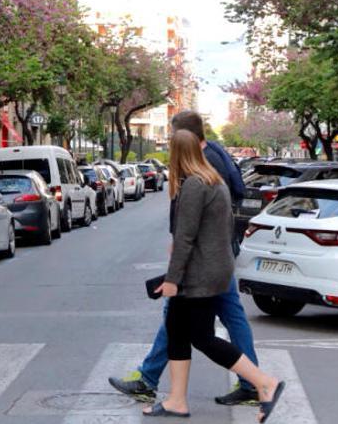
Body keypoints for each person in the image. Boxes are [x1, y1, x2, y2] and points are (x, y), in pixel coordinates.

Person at [109, 110, 260, 407]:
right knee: (201, 320)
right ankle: (161, 385)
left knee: (191, 326)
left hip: (205, 262)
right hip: (214, 258)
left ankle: (257, 383)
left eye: (172, 137)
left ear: (185, 139)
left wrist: (175, 273)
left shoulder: (201, 170)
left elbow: (195, 229)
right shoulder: (212, 159)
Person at [142, 130, 284, 420]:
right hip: (214, 270)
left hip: (198, 276)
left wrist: (172, 280)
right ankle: (177, 401)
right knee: (178, 332)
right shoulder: (214, 181)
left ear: (177, 154)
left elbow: (185, 239)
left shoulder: (194, 185)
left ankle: (263, 383)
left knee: (202, 337)